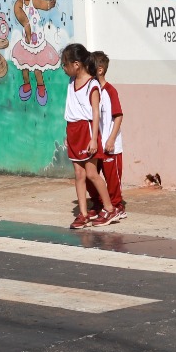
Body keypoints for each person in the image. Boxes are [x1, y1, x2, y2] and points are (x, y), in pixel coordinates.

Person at [61, 43, 112, 230]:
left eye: (64, 64)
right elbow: (71, 109)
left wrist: (93, 139)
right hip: (73, 129)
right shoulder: (70, 83)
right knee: (78, 173)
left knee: (91, 173)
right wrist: (67, 133)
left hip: (87, 129)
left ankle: (109, 208)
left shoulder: (93, 85)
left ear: (76, 64)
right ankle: (82, 214)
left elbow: (96, 113)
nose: (63, 68)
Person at [86, 50, 126, 224]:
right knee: (91, 176)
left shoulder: (110, 91)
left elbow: (118, 116)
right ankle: (99, 204)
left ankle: (117, 207)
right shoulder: (93, 91)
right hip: (96, 145)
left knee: (112, 179)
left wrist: (110, 139)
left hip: (111, 146)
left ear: (100, 70)